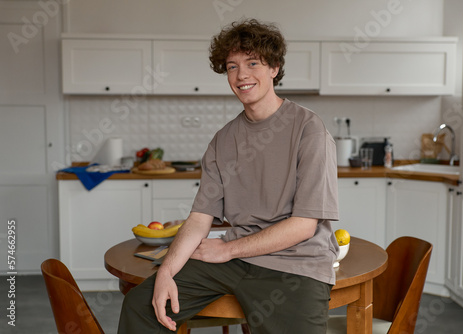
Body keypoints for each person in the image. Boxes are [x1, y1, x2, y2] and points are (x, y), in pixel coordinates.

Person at [118, 18, 339, 334]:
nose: (241, 75)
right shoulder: (223, 140)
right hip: (233, 261)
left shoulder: (309, 130)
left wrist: (226, 249)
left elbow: (304, 226)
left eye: (252, 63)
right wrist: (166, 271)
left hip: (294, 264)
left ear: (274, 67)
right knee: (141, 307)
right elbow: (198, 220)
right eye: (232, 66)